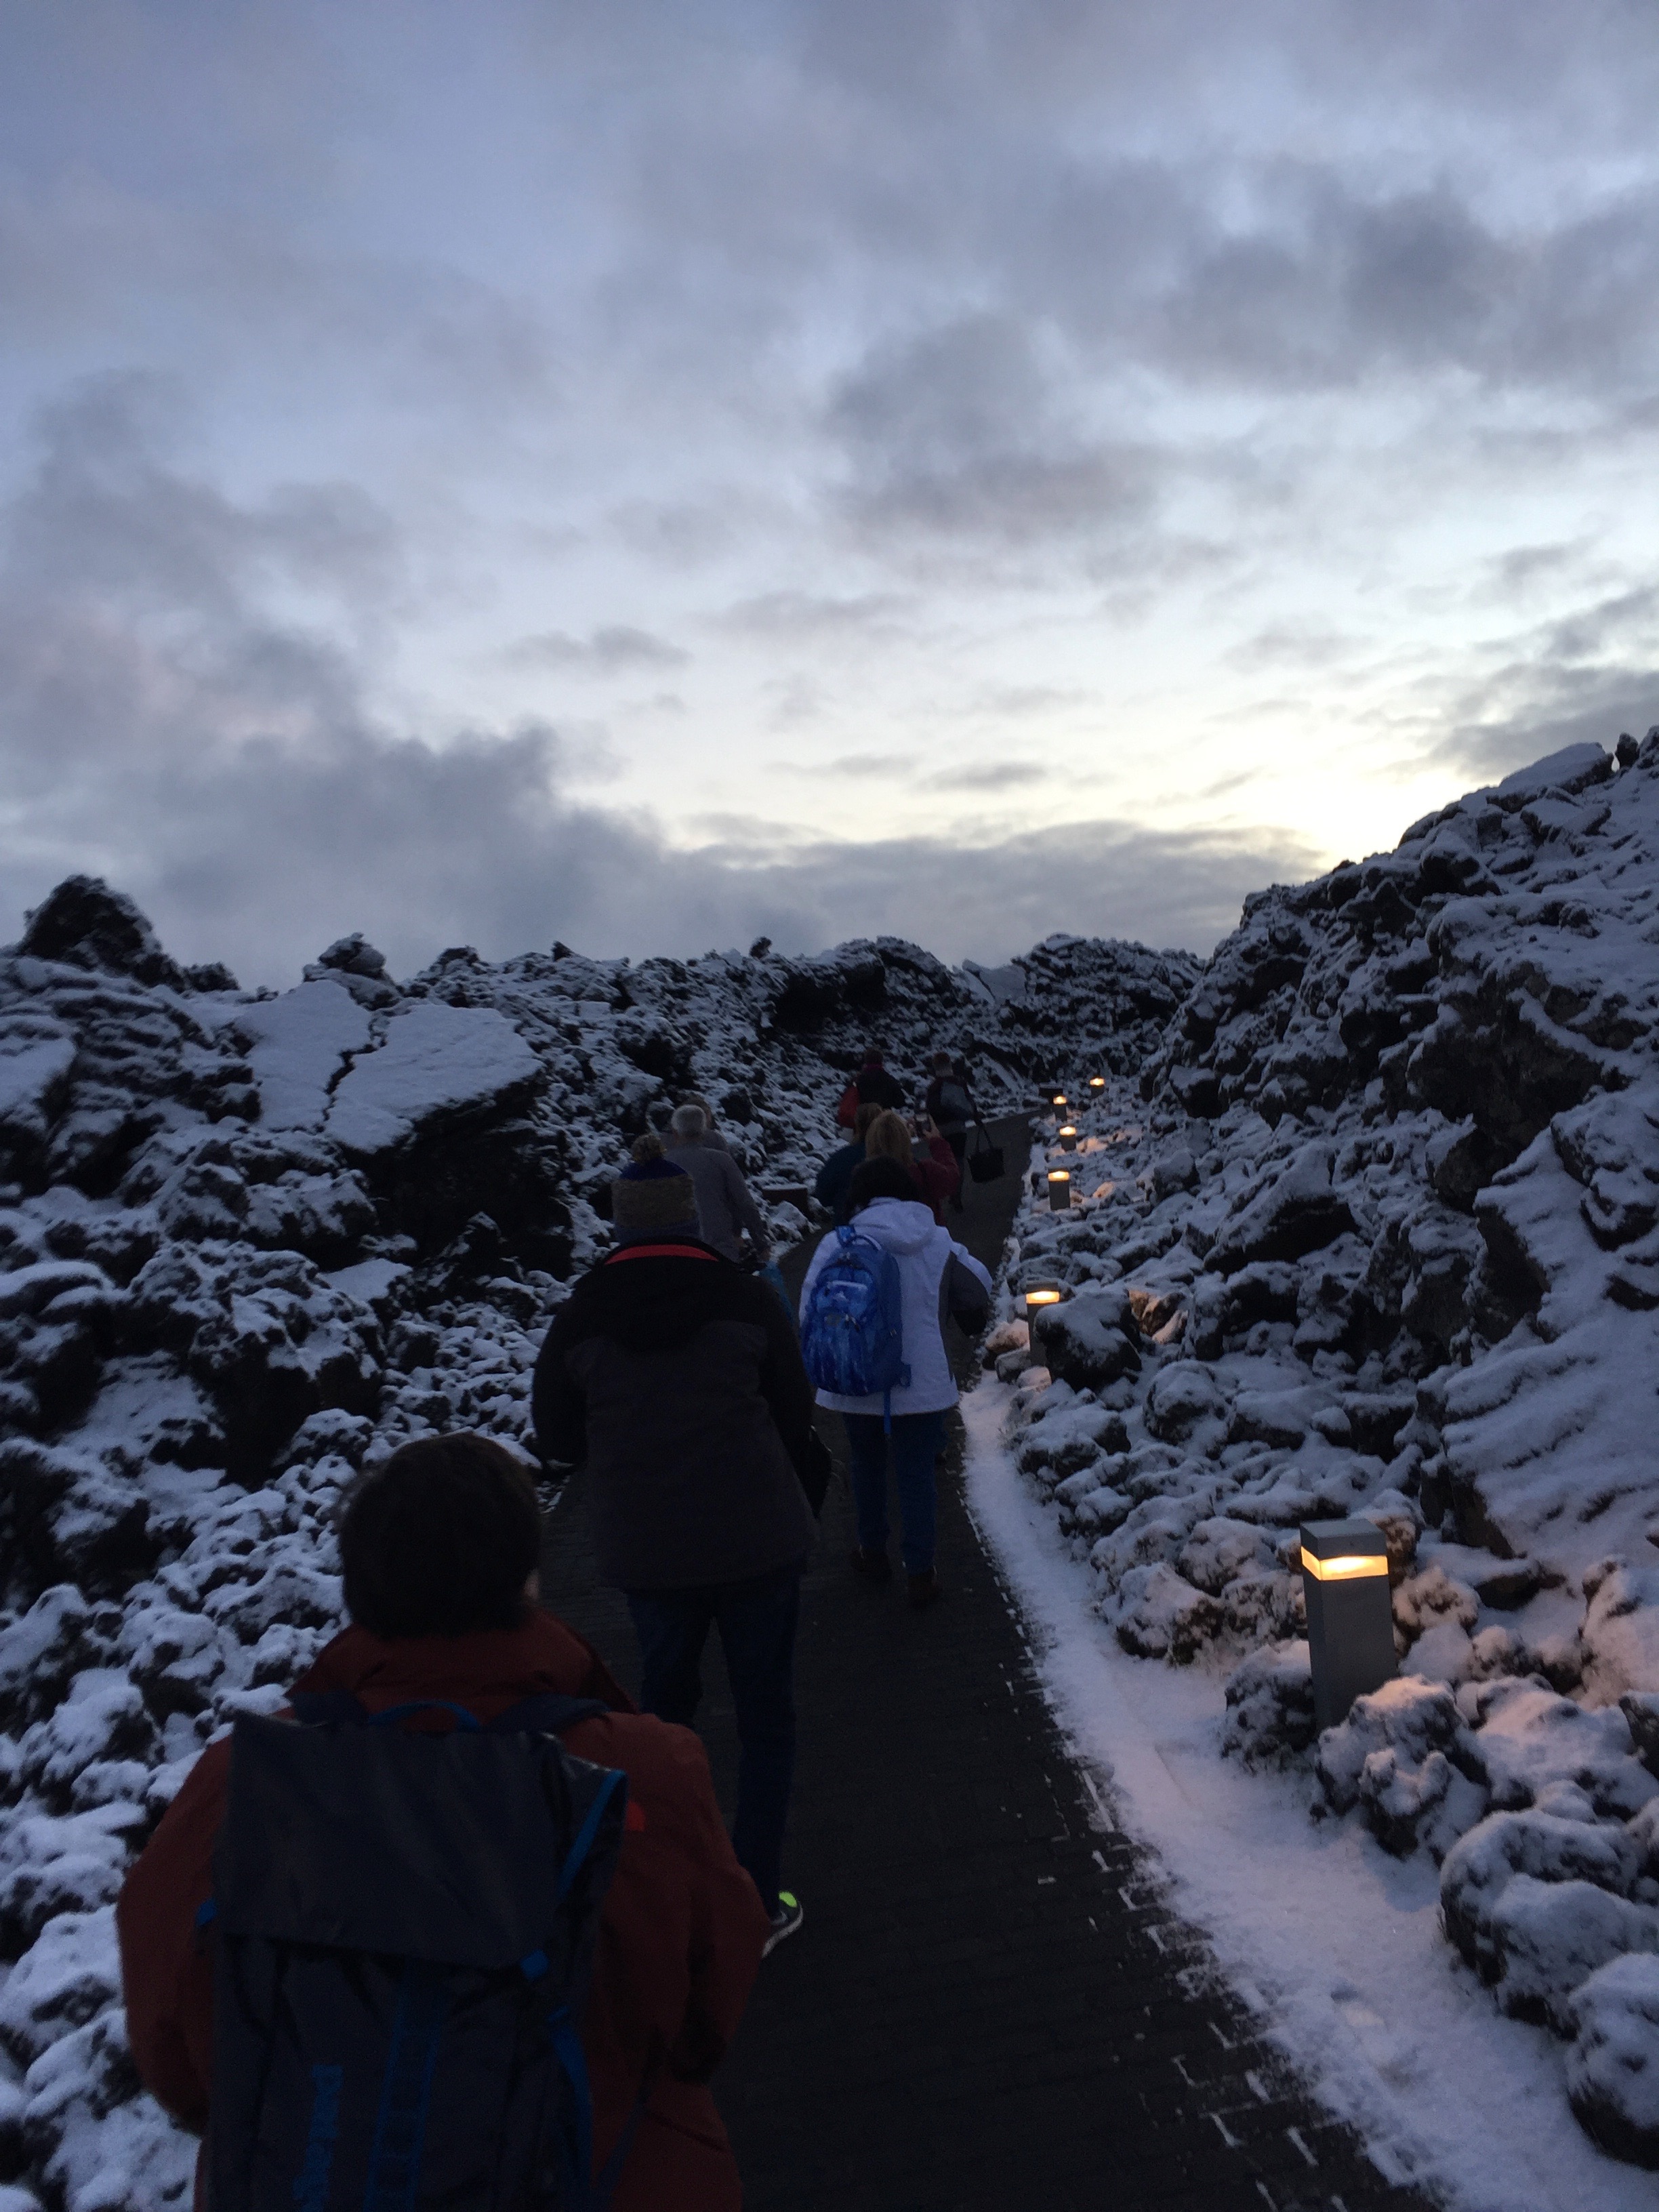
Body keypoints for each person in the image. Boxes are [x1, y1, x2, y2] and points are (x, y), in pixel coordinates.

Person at [117, 1432, 771, 2212]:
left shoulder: (238, 1790)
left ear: (360, 1588)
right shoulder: (645, 1775)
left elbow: (170, 2044)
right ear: (526, 1580)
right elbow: (707, 2009)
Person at [533, 1147, 828, 1952]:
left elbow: (555, 1437)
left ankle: (670, 1890)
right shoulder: (744, 1296)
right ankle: (754, 1898)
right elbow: (795, 1407)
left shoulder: (583, 1313)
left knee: (663, 1719)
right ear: (693, 1220)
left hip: (649, 1552)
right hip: (757, 1539)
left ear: (619, 1226)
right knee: (766, 1718)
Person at [800, 1155, 993, 1607]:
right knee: (917, 1472)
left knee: (866, 1463)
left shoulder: (837, 1241)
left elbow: (809, 1309)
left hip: (857, 1375)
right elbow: (979, 1286)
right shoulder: (936, 1239)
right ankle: (921, 1572)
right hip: (921, 1379)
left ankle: (872, 1552)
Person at [663, 1106, 771, 1263]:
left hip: (677, 1253)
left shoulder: (662, 1165)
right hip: (720, 1252)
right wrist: (761, 1245)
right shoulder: (721, 1160)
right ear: (704, 1131)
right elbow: (745, 1204)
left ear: (675, 1133)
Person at [863, 1107, 960, 1225]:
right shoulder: (923, 1172)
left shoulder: (865, 1181)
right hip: (926, 1231)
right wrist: (936, 1141)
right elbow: (952, 1176)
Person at [813, 1099, 882, 1223]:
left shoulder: (841, 1159)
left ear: (856, 1126)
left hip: (848, 1227)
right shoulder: (897, 1156)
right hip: (892, 1229)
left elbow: (823, 1195)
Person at [924, 1051, 975, 1210]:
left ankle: (946, 1191)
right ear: (949, 1065)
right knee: (959, 1161)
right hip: (959, 1129)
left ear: (935, 1067)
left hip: (940, 1130)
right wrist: (976, 1118)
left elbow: (929, 1110)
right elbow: (969, 1102)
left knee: (943, 1160)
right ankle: (957, 1195)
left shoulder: (933, 1087)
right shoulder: (959, 1082)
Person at [834, 1048, 905, 1128]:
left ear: (866, 1061)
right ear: (881, 1061)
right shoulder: (889, 1080)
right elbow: (900, 1103)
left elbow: (848, 1099)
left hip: (863, 1124)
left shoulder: (858, 1080)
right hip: (884, 1123)